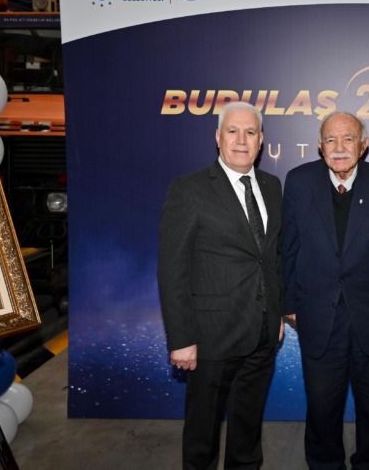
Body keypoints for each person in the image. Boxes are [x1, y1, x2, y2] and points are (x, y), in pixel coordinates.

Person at [158, 101, 285, 470]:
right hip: (210, 336)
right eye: (233, 131)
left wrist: (276, 313)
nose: (241, 140)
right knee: (203, 436)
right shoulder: (189, 189)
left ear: (261, 140)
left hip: (262, 333)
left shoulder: (272, 186)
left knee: (248, 432)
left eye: (250, 132)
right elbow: (172, 268)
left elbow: (273, 257)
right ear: (218, 137)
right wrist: (181, 338)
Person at [282, 111, 369, 470]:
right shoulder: (298, 181)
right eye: (331, 140)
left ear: (364, 145)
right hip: (318, 315)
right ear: (320, 146)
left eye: (348, 139)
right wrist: (288, 302)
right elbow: (287, 246)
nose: (339, 147)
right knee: (322, 407)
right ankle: (325, 464)